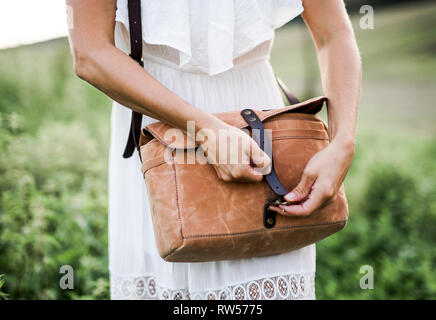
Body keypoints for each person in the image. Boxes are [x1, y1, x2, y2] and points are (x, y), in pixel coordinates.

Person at [66, 0, 361, 300]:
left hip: (257, 132)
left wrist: (342, 143)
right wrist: (203, 130)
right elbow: (90, 52)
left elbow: (334, 33)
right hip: (159, 136)